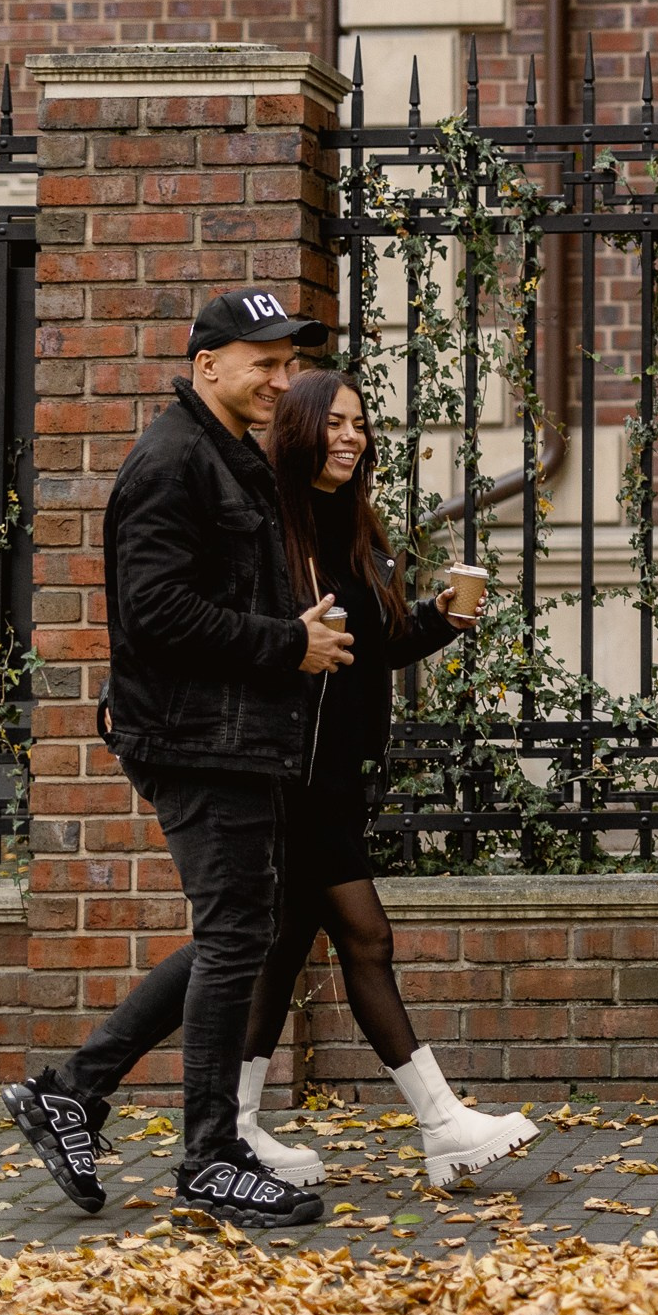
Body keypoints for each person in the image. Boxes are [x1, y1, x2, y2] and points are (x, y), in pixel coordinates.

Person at [4, 288, 350, 1229]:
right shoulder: (171, 461)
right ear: (207, 366)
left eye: (287, 364)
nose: (282, 380)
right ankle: (208, 1158)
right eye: (263, 363)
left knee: (238, 929)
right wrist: (287, 645)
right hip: (198, 740)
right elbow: (154, 614)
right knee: (239, 934)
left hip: (233, 737)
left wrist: (296, 631)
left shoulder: (230, 454)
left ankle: (72, 1090)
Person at [232, 369, 539, 1186]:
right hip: (296, 770)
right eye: (333, 423)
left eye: (359, 424)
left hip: (341, 769)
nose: (350, 436)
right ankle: (441, 1124)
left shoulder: (358, 525)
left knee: (285, 945)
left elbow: (377, 645)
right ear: (298, 430)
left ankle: (235, 1123)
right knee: (367, 936)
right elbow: (266, 639)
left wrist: (441, 620)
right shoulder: (272, 522)